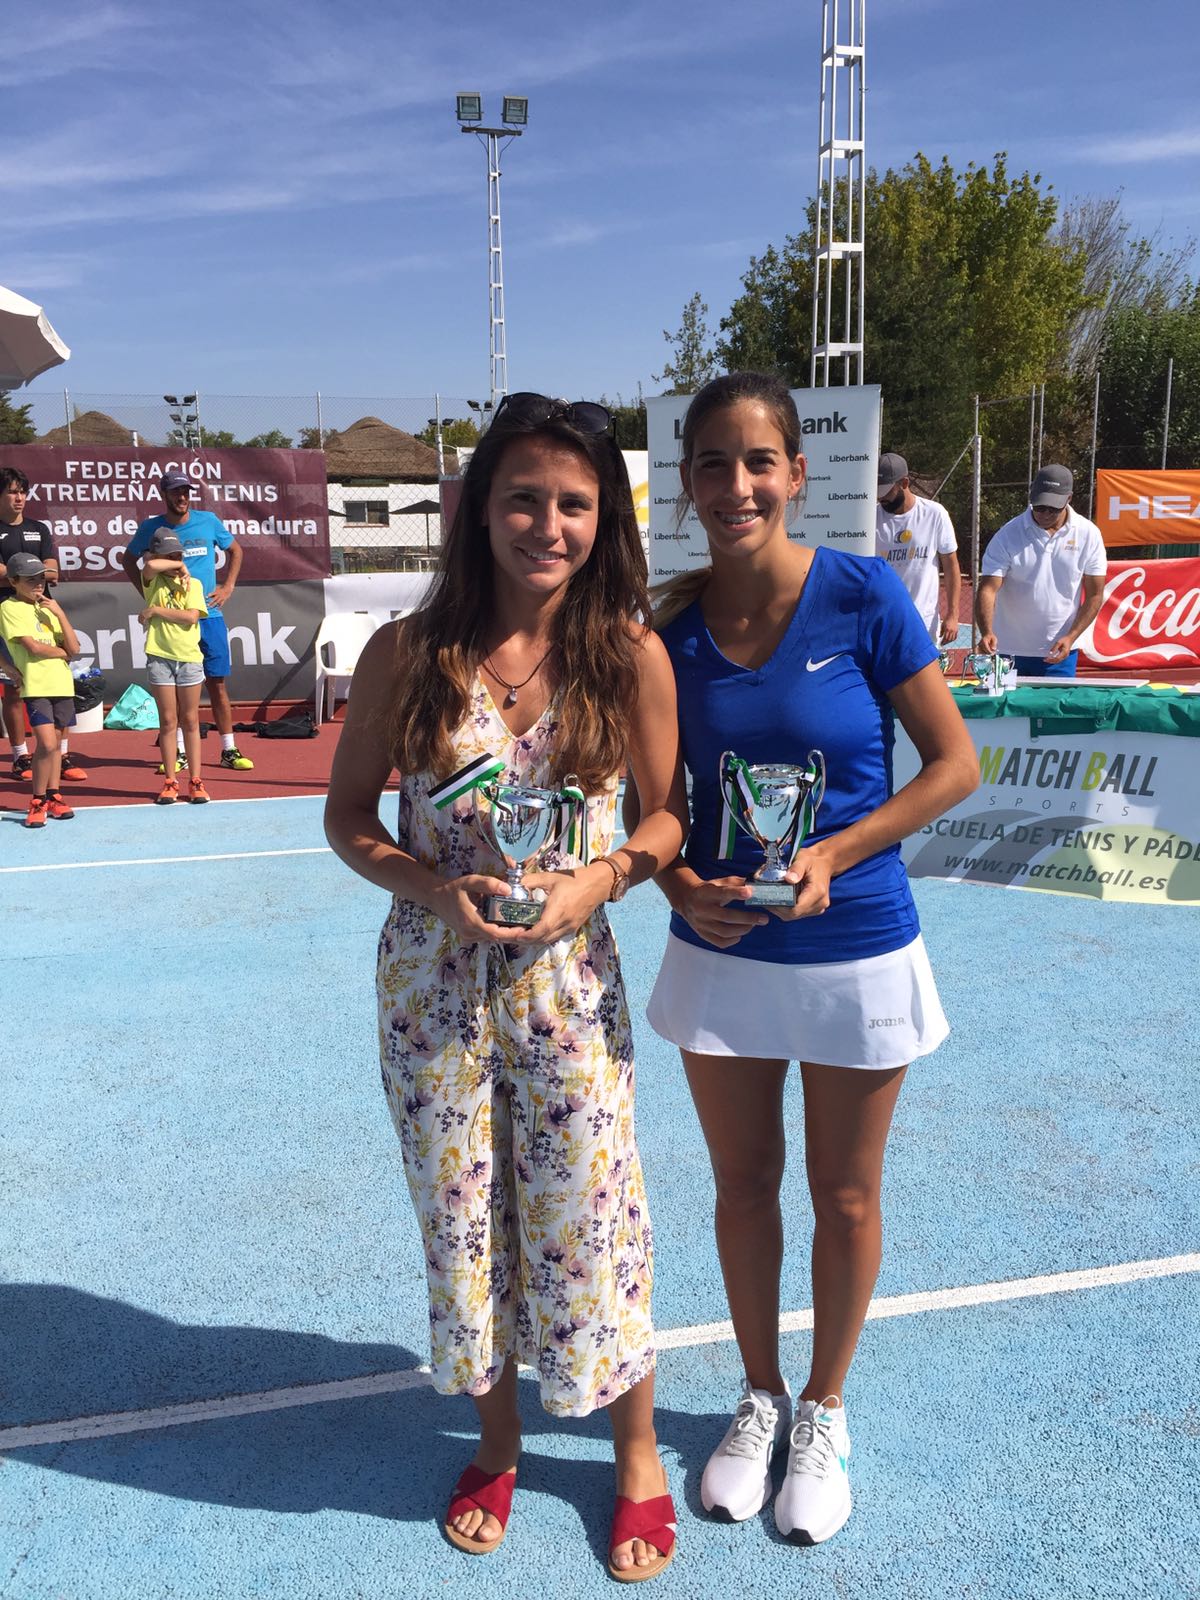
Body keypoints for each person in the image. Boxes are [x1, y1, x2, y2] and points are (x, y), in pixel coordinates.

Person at [324, 393, 689, 1579]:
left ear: (604, 519)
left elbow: (666, 819)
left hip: (570, 988)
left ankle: (636, 1451)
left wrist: (601, 880)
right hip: (431, 991)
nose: (548, 523)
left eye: (574, 503)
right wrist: (434, 889)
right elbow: (348, 817)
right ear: (478, 508)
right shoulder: (406, 653)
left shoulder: (627, 655)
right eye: (523, 497)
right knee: (463, 1225)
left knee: (595, 1220)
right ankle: (497, 1442)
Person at [635, 372, 978, 1546]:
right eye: (713, 464)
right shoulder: (668, 634)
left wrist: (835, 850)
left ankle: (824, 1409)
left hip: (855, 940)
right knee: (741, 1187)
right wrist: (677, 882)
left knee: (845, 1191)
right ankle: (760, 1396)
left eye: (758, 462)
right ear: (687, 483)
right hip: (721, 946)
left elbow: (953, 765)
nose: (736, 485)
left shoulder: (863, 593)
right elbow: (655, 807)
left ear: (795, 472)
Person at [121, 470, 254, 774]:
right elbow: (129, 560)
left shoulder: (208, 520)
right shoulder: (151, 528)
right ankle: (179, 752)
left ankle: (228, 749)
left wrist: (227, 587)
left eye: (186, 491)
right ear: (164, 495)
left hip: (209, 616)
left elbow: (235, 550)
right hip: (173, 625)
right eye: (175, 492)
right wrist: (149, 596)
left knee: (217, 683)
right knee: (177, 690)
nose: (182, 497)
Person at [974, 464, 1108, 678]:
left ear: (1069, 499)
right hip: (1008, 651)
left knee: (1055, 702)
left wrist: (1071, 637)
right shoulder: (1007, 535)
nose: (1045, 513)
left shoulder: (1089, 534)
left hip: (1059, 653)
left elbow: (1095, 595)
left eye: (1053, 508)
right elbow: (988, 589)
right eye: (1039, 506)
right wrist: (987, 632)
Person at [0, 466, 88, 783]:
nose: (19, 497)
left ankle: (60, 755)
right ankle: (20, 755)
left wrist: (21, 574)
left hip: (44, 613)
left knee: (57, 685)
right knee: (14, 686)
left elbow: (53, 571)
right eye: (12, 491)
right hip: (8, 615)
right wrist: (30, 573)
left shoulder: (39, 529)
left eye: (23, 492)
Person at [0, 552, 81, 827]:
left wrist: (60, 613)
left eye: (41, 579)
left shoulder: (49, 608)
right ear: (13, 581)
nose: (38, 584)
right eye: (30, 579)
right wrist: (63, 652)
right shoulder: (9, 608)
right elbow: (34, 648)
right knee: (45, 744)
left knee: (55, 746)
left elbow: (75, 647)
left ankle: (53, 796)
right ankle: (37, 800)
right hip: (36, 685)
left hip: (62, 684)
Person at [138, 528, 211, 804]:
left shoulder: (194, 584)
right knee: (168, 721)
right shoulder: (152, 580)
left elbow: (191, 617)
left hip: (189, 658)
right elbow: (149, 566)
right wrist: (177, 565)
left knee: (190, 720)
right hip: (160, 657)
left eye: (179, 555)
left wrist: (155, 610)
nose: (176, 559)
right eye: (169, 555)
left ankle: (196, 780)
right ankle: (170, 781)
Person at [875, 452, 962, 644]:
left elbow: (951, 565)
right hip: (883, 622)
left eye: (886, 491)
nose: (881, 498)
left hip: (923, 623)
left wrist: (953, 614)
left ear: (904, 483)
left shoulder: (934, 514)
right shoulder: (871, 518)